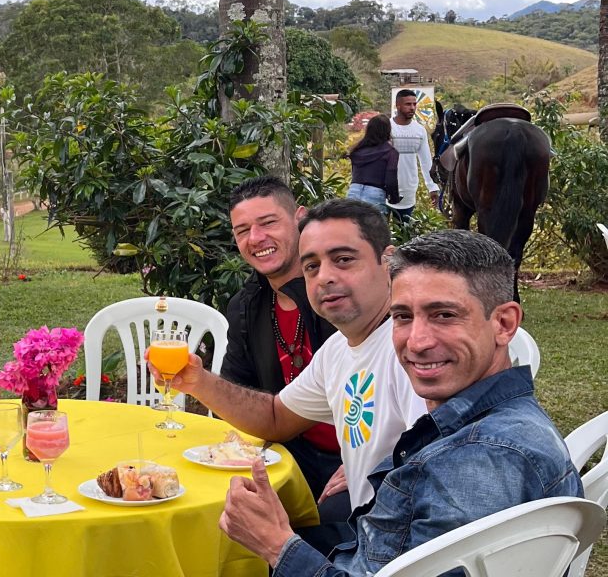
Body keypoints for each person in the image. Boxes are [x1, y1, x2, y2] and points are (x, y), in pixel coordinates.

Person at [219, 229, 583, 575]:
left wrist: (276, 544)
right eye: (403, 316)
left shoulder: (478, 464)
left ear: (503, 323)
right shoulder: (491, 421)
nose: (417, 341)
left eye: (444, 315)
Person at [162, 199, 427, 516]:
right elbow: (276, 417)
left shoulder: (412, 348)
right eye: (312, 267)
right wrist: (199, 382)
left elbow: (433, 469)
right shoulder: (337, 351)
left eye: (343, 259)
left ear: (388, 263)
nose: (324, 277)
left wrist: (280, 545)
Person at [220, 177, 345, 517]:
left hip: (352, 459)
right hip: (285, 456)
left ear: (299, 218)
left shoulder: (342, 295)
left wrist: (374, 455)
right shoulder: (247, 306)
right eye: (242, 230)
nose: (256, 239)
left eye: (268, 222)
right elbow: (236, 391)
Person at [389, 89, 439, 222]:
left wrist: (432, 187)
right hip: (383, 190)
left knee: (403, 233)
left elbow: (426, 161)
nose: (412, 108)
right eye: (408, 104)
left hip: (408, 190)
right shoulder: (387, 127)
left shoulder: (419, 131)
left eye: (414, 104)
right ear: (398, 105)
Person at [345, 114, 400, 215]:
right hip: (375, 193)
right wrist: (394, 197)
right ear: (387, 130)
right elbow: (390, 180)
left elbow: (355, 174)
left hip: (354, 190)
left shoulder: (357, 150)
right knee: (374, 229)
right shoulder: (390, 152)